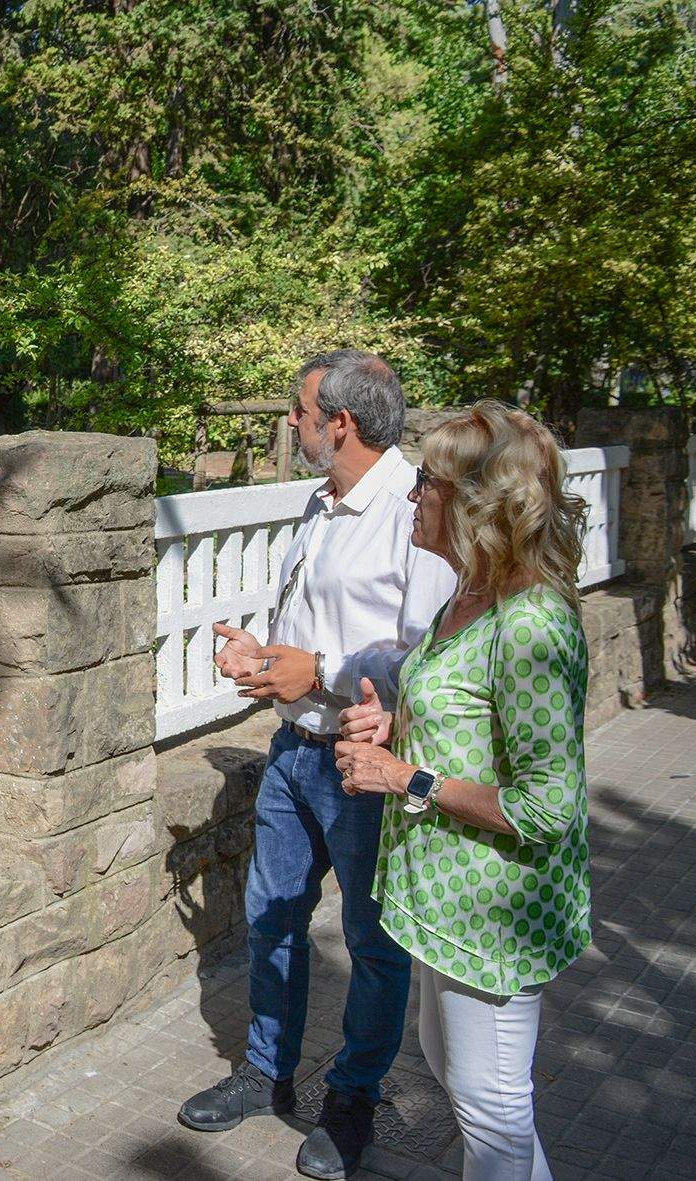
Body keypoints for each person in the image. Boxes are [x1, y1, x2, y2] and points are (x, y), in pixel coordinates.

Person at [178, 350, 456, 1180]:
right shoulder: (321, 500)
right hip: (293, 751)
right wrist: (265, 656)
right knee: (271, 918)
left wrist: (321, 672)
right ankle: (267, 1072)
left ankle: (353, 1097)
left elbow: (428, 662)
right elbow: (314, 631)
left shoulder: (412, 507)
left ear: (340, 422)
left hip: (365, 764)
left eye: (298, 412)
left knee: (373, 943)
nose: (290, 423)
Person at [335, 402, 590, 1180]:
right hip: (448, 901)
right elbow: (472, 720)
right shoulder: (469, 593)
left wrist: (404, 774)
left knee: (493, 1111)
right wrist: (397, 725)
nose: (413, 496)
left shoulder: (530, 623)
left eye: (426, 481)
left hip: (495, 914)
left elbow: (547, 806)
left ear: (477, 500)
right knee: (463, 1084)